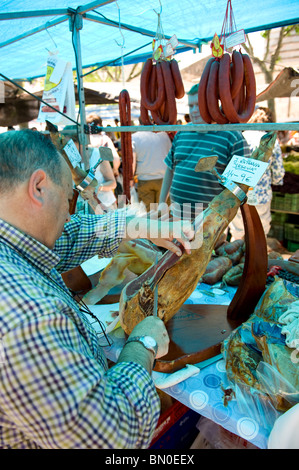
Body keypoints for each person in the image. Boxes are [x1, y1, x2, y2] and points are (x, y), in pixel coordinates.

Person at [0, 129, 194, 449]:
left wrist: (140, 224)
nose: (69, 212)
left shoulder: (15, 240)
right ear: (37, 187)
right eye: (66, 199)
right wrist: (142, 344)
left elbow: (72, 235)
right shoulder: (27, 316)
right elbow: (112, 437)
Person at [159, 83, 251, 220]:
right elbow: (170, 169)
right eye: (191, 106)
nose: (194, 110)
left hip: (210, 221)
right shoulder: (182, 133)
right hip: (177, 215)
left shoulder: (232, 137)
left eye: (198, 105)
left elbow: (243, 185)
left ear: (212, 105)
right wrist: (162, 204)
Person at [229, 107, 285, 241]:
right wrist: (276, 181)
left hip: (237, 192)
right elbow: (278, 172)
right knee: (260, 232)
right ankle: (256, 260)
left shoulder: (240, 137)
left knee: (237, 232)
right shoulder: (271, 141)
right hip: (261, 196)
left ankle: (234, 260)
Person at [132, 122, 172, 211]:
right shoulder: (164, 135)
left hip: (144, 179)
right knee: (164, 213)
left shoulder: (134, 137)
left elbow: (132, 161)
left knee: (150, 214)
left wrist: (131, 178)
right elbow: (171, 156)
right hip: (164, 179)